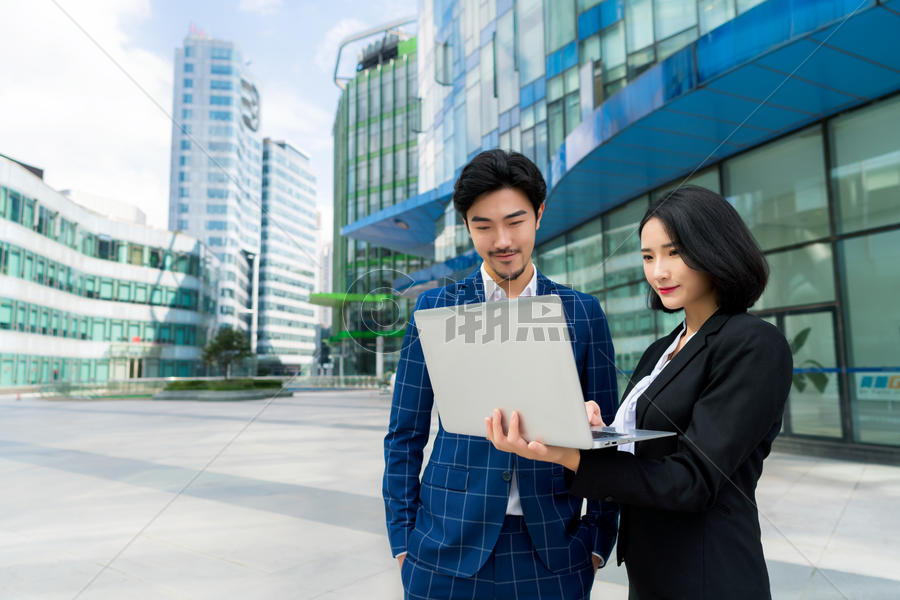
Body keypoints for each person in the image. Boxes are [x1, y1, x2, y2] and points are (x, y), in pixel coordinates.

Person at [486, 185, 793, 599]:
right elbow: (641, 456)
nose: (659, 271)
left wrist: (566, 455)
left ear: (716, 249)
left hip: (708, 575)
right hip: (653, 570)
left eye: (675, 252)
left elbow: (693, 479)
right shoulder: (662, 349)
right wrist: (588, 432)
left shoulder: (753, 343)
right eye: (648, 257)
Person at [383, 150, 620, 599]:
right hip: (444, 546)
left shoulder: (582, 313)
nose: (502, 240)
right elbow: (404, 433)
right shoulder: (435, 310)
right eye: (483, 226)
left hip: (552, 550)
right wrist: (403, 540)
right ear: (467, 226)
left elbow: (607, 438)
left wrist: (597, 540)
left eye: (515, 221)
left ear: (539, 214)